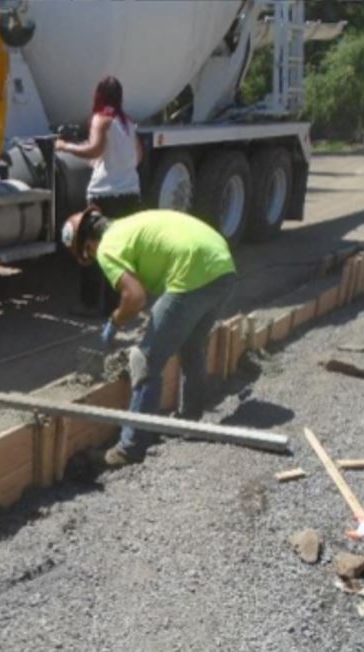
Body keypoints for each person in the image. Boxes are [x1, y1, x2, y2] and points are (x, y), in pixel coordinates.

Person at [61, 206, 237, 467]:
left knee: (144, 360)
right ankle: (190, 420)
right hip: (222, 264)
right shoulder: (126, 226)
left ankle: (129, 448)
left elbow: (134, 297)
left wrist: (115, 321)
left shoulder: (108, 247)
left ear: (88, 245)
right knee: (192, 345)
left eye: (89, 255)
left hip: (192, 271)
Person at [55, 76, 144, 314]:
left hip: (104, 195)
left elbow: (93, 149)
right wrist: (108, 162)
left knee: (91, 250)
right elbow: (137, 157)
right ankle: (114, 307)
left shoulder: (101, 119)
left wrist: (65, 147)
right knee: (119, 254)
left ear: (99, 96)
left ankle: (89, 304)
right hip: (129, 194)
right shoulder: (127, 123)